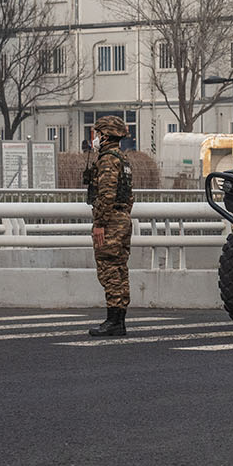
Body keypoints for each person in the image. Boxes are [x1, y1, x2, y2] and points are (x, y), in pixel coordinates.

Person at [87, 115, 135, 337]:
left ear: (105, 136)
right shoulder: (122, 160)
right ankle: (119, 319)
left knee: (109, 270)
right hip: (123, 219)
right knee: (120, 269)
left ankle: (113, 321)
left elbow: (106, 195)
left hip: (111, 222)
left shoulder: (107, 160)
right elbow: (130, 195)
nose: (95, 138)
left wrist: (100, 223)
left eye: (97, 134)